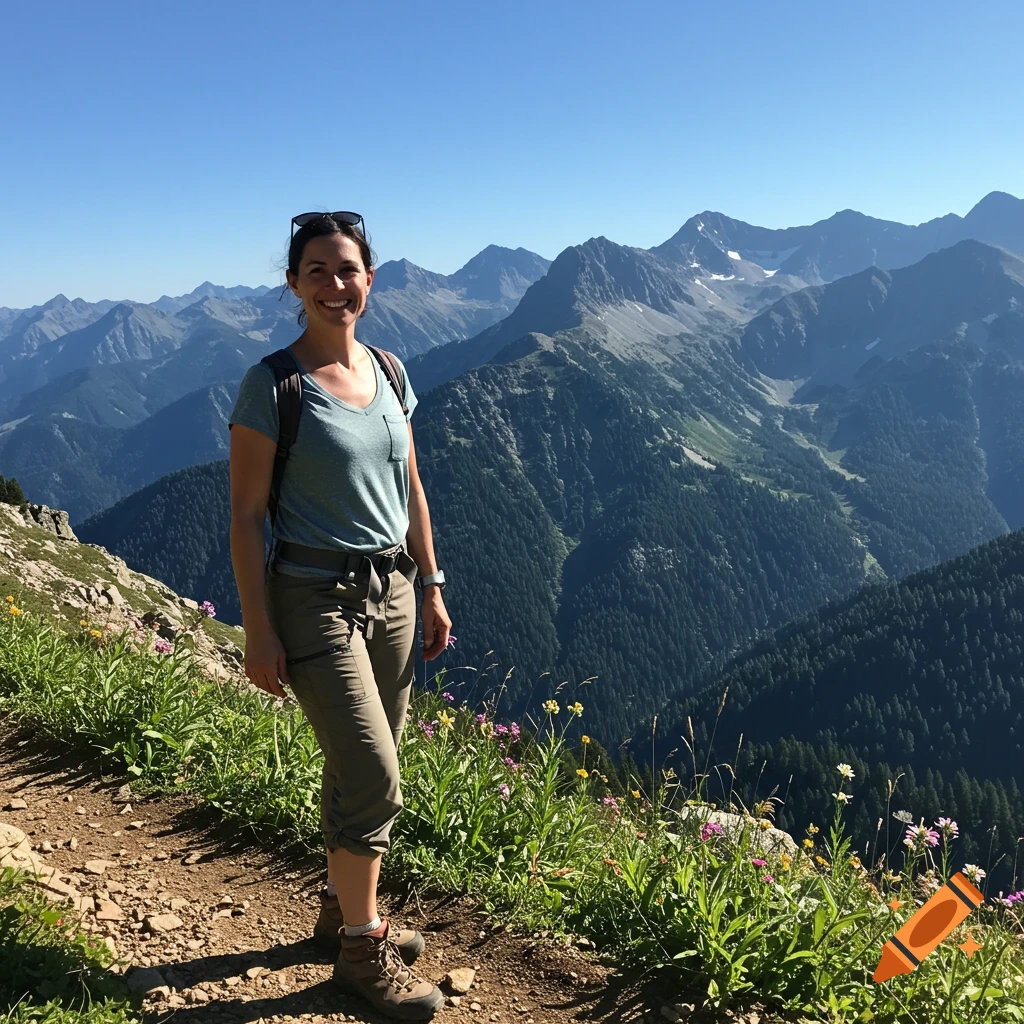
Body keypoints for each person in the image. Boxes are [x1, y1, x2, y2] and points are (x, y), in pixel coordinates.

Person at [227, 212, 450, 1020]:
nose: (334, 285)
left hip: (392, 592)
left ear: (371, 279)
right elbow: (247, 515)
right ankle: (363, 951)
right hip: (313, 597)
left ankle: (337, 913)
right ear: (294, 284)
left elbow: (410, 486)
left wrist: (430, 582)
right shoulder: (274, 385)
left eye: (348, 269)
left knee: (361, 762)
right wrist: (258, 627)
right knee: (374, 775)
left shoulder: (390, 371)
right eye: (316, 271)